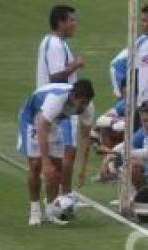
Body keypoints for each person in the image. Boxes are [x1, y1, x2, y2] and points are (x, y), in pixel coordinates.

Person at [17, 79, 95, 226]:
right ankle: (34, 211)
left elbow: (85, 137)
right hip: (33, 120)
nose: (84, 107)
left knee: (57, 168)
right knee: (36, 164)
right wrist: (45, 162)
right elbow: (41, 127)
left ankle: (50, 212)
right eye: (82, 102)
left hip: (54, 122)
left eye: (87, 102)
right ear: (73, 97)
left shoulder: (88, 108)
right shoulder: (55, 100)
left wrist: (83, 169)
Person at [36, 4, 86, 197]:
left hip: (62, 105)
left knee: (68, 151)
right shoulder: (55, 44)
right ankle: (63, 196)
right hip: (59, 105)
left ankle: (64, 194)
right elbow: (56, 76)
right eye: (72, 20)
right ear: (61, 22)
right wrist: (76, 65)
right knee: (67, 151)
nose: (75, 24)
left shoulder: (59, 43)